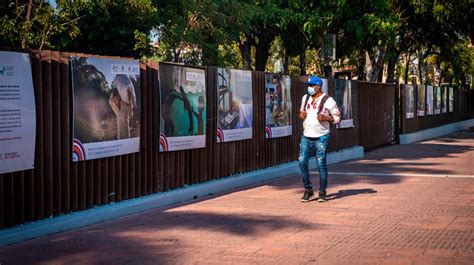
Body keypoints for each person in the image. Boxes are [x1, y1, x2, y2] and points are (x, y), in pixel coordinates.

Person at [298, 76, 341, 202]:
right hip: (306, 135)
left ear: (318, 86)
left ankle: (322, 192)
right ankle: (308, 190)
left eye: (311, 86)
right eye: (308, 86)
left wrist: (327, 118)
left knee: (321, 164)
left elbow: (338, 117)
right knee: (302, 162)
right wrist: (301, 115)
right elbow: (301, 113)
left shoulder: (328, 100)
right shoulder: (305, 98)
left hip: (321, 137)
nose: (309, 88)